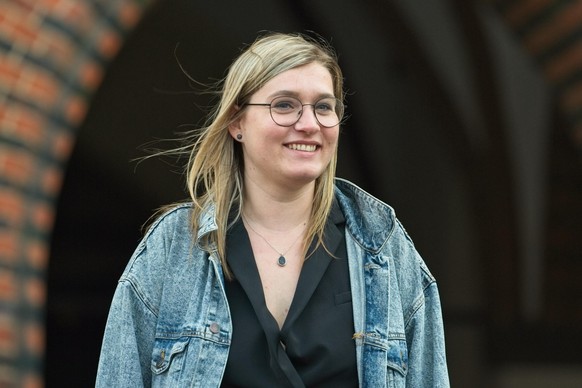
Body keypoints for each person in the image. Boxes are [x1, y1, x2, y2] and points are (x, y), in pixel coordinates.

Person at [96, 32, 449, 387]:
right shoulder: (174, 248)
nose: (309, 124)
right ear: (237, 123)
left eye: (324, 107)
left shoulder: (383, 246)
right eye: (284, 105)